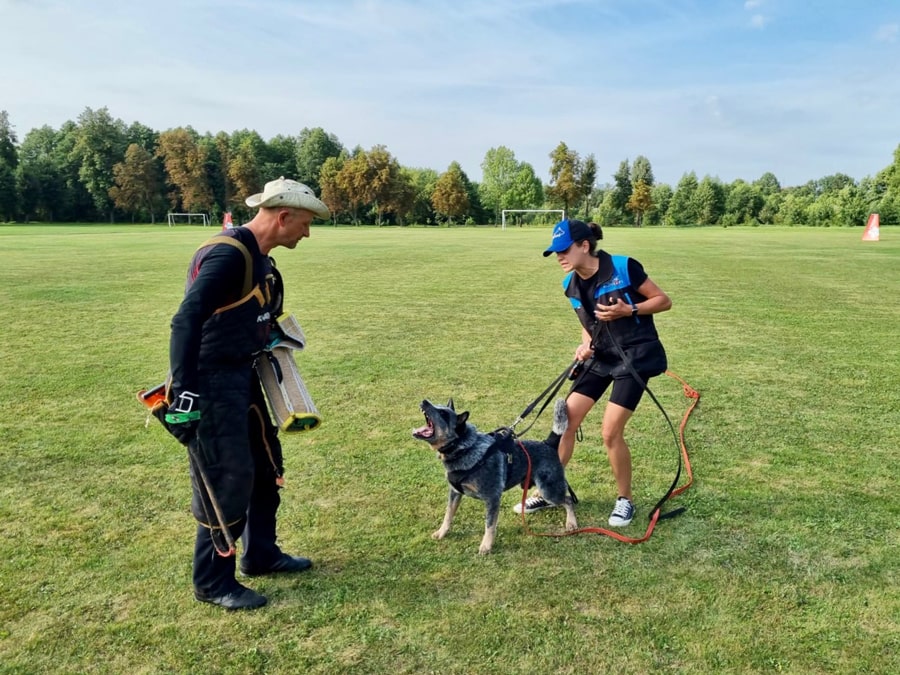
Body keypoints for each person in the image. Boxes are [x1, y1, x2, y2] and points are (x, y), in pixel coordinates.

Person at [162, 177, 330, 610]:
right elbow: (186, 321)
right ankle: (213, 581)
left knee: (263, 463)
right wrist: (183, 395)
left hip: (244, 376)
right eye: (306, 224)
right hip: (209, 384)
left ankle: (261, 554)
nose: (307, 233)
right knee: (227, 477)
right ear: (284, 216)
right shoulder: (227, 255)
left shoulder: (261, 259)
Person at [514, 218, 672, 527]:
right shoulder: (568, 284)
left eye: (564, 250)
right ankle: (550, 492)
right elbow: (587, 326)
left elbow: (664, 301)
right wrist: (585, 344)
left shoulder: (624, 267)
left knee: (610, 432)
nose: (559, 257)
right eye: (555, 252)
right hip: (601, 357)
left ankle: (625, 500)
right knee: (565, 422)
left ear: (584, 246)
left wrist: (631, 310)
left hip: (634, 357)